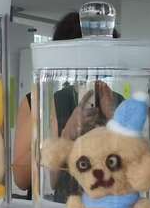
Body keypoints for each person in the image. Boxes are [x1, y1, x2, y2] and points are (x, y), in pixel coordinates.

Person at [12, 12, 120, 197]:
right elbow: (21, 179)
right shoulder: (39, 102)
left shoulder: (117, 104)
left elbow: (137, 171)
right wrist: (65, 135)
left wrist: (113, 120)